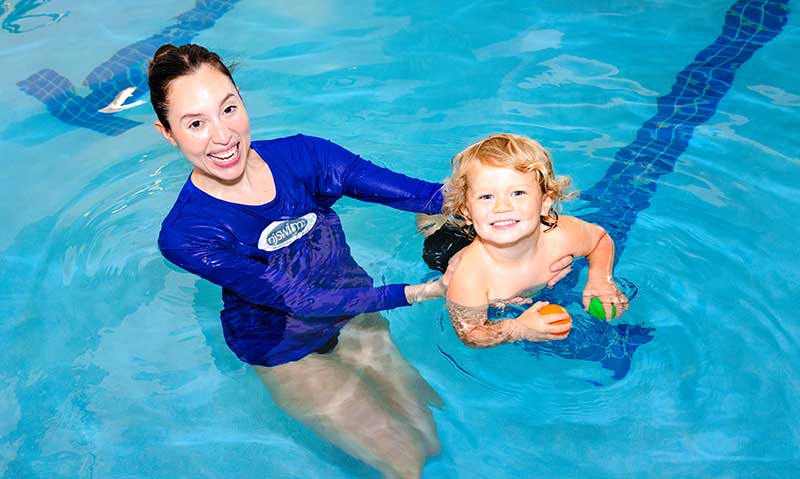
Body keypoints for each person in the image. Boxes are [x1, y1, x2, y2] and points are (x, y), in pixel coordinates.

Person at [148, 44, 571, 478]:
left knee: (428, 435)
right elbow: (301, 300)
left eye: (229, 109)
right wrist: (428, 290)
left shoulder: (304, 157)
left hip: (357, 312)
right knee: (403, 460)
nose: (222, 136)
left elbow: (425, 196)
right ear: (167, 132)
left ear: (242, 99)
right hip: (286, 348)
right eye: (195, 123)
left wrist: (535, 232)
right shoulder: (187, 234)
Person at [441, 133, 630, 348]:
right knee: (437, 243)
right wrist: (517, 328)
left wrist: (600, 279)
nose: (502, 207)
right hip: (449, 251)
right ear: (467, 211)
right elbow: (470, 335)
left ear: (545, 202)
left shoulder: (559, 234)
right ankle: (430, 219)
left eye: (518, 193)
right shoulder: (470, 276)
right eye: (486, 197)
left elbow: (600, 238)